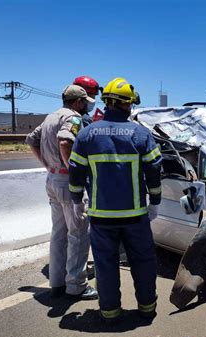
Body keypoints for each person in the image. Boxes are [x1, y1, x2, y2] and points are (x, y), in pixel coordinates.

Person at [68, 77, 162, 323]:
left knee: (106, 266)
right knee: (143, 262)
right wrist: (155, 201)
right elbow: (154, 169)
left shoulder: (87, 134)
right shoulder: (140, 134)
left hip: (101, 217)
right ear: (126, 104)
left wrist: (76, 199)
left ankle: (110, 313)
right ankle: (147, 308)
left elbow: (75, 170)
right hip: (135, 216)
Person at [25, 85, 98, 300]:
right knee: (78, 233)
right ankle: (76, 286)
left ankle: (57, 283)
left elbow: (31, 139)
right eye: (85, 102)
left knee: (58, 233)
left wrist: (47, 165)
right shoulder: (73, 118)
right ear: (77, 102)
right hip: (67, 181)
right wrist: (72, 170)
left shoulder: (51, 116)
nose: (87, 107)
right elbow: (65, 141)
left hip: (52, 179)